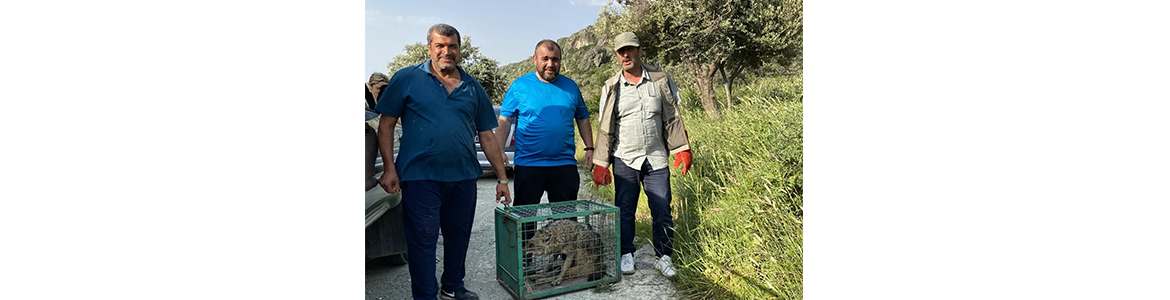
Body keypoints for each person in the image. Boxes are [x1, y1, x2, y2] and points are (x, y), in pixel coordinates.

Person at [374, 23, 511, 300]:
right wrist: (389, 168)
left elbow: (487, 135)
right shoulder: (407, 79)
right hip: (420, 176)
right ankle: (425, 295)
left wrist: (502, 178)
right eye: (440, 46)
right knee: (423, 239)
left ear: (460, 51)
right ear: (430, 48)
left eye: (452, 46)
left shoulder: (473, 88)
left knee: (458, 234)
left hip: (463, 176)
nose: (446, 51)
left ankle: (453, 286)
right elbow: (385, 125)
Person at [591, 32, 693, 279]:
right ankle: (627, 253)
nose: (625, 55)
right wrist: (601, 163)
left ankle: (664, 256)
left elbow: (672, 117)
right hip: (624, 157)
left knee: (662, 207)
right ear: (616, 55)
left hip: (656, 157)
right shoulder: (611, 86)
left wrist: (682, 148)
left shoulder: (660, 80)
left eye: (630, 49)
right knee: (625, 209)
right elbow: (606, 127)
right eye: (620, 51)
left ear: (639, 50)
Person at [494, 39, 594, 208]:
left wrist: (590, 148)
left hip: (564, 165)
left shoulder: (571, 87)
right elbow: (504, 121)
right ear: (535, 59)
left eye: (555, 59)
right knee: (525, 223)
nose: (550, 64)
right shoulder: (520, 86)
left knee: (565, 223)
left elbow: (582, 118)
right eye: (545, 59)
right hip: (528, 165)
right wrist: (500, 150)